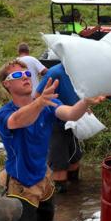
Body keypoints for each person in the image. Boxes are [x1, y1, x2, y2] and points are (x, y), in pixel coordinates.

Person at [0, 60, 103, 221]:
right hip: (21, 182)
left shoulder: (46, 105)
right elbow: (19, 120)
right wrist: (38, 102)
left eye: (27, 73)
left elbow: (70, 113)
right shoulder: (3, 114)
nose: (26, 77)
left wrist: (85, 101)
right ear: (6, 84)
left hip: (43, 176)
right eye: (17, 76)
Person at [35, 63, 85, 192]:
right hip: (55, 125)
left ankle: (75, 201)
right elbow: (37, 97)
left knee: (75, 160)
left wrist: (84, 106)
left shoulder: (78, 71)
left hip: (72, 123)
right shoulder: (55, 73)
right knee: (59, 166)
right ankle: (62, 206)